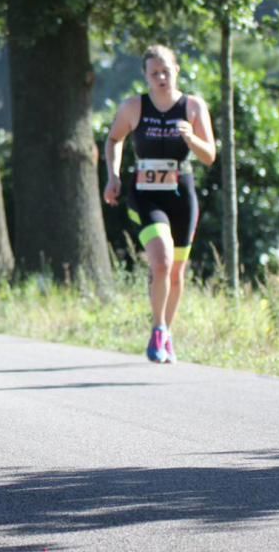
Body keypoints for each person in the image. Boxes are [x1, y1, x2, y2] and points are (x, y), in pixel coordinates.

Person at [104, 44, 216, 363]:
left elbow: (210, 157)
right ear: (146, 76)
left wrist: (191, 139)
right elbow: (114, 139)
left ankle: (167, 332)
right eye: (155, 73)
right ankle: (157, 328)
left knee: (177, 272)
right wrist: (112, 176)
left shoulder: (193, 107)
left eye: (166, 71)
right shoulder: (134, 107)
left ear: (176, 71)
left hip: (182, 193)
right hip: (145, 193)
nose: (161, 77)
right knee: (162, 261)